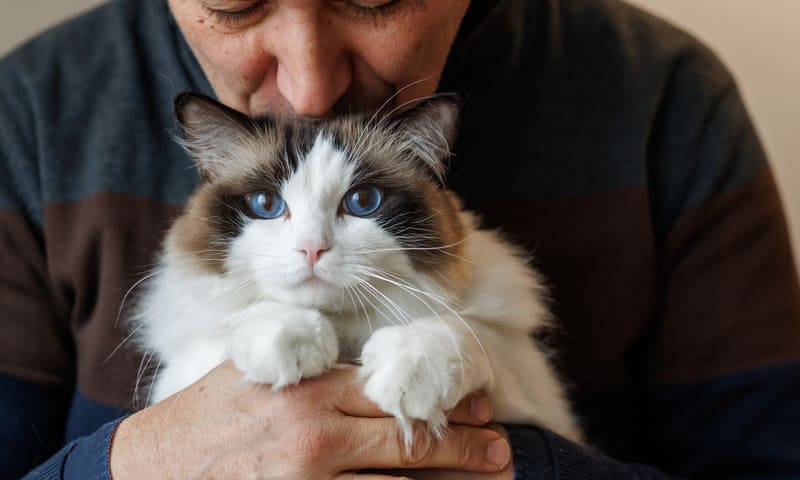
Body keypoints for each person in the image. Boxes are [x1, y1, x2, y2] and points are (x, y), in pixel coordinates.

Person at [1, 0, 798, 478]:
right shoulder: (30, 111)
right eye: (237, 2)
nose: (310, 86)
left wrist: (516, 461)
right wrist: (131, 467)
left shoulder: (669, 98)